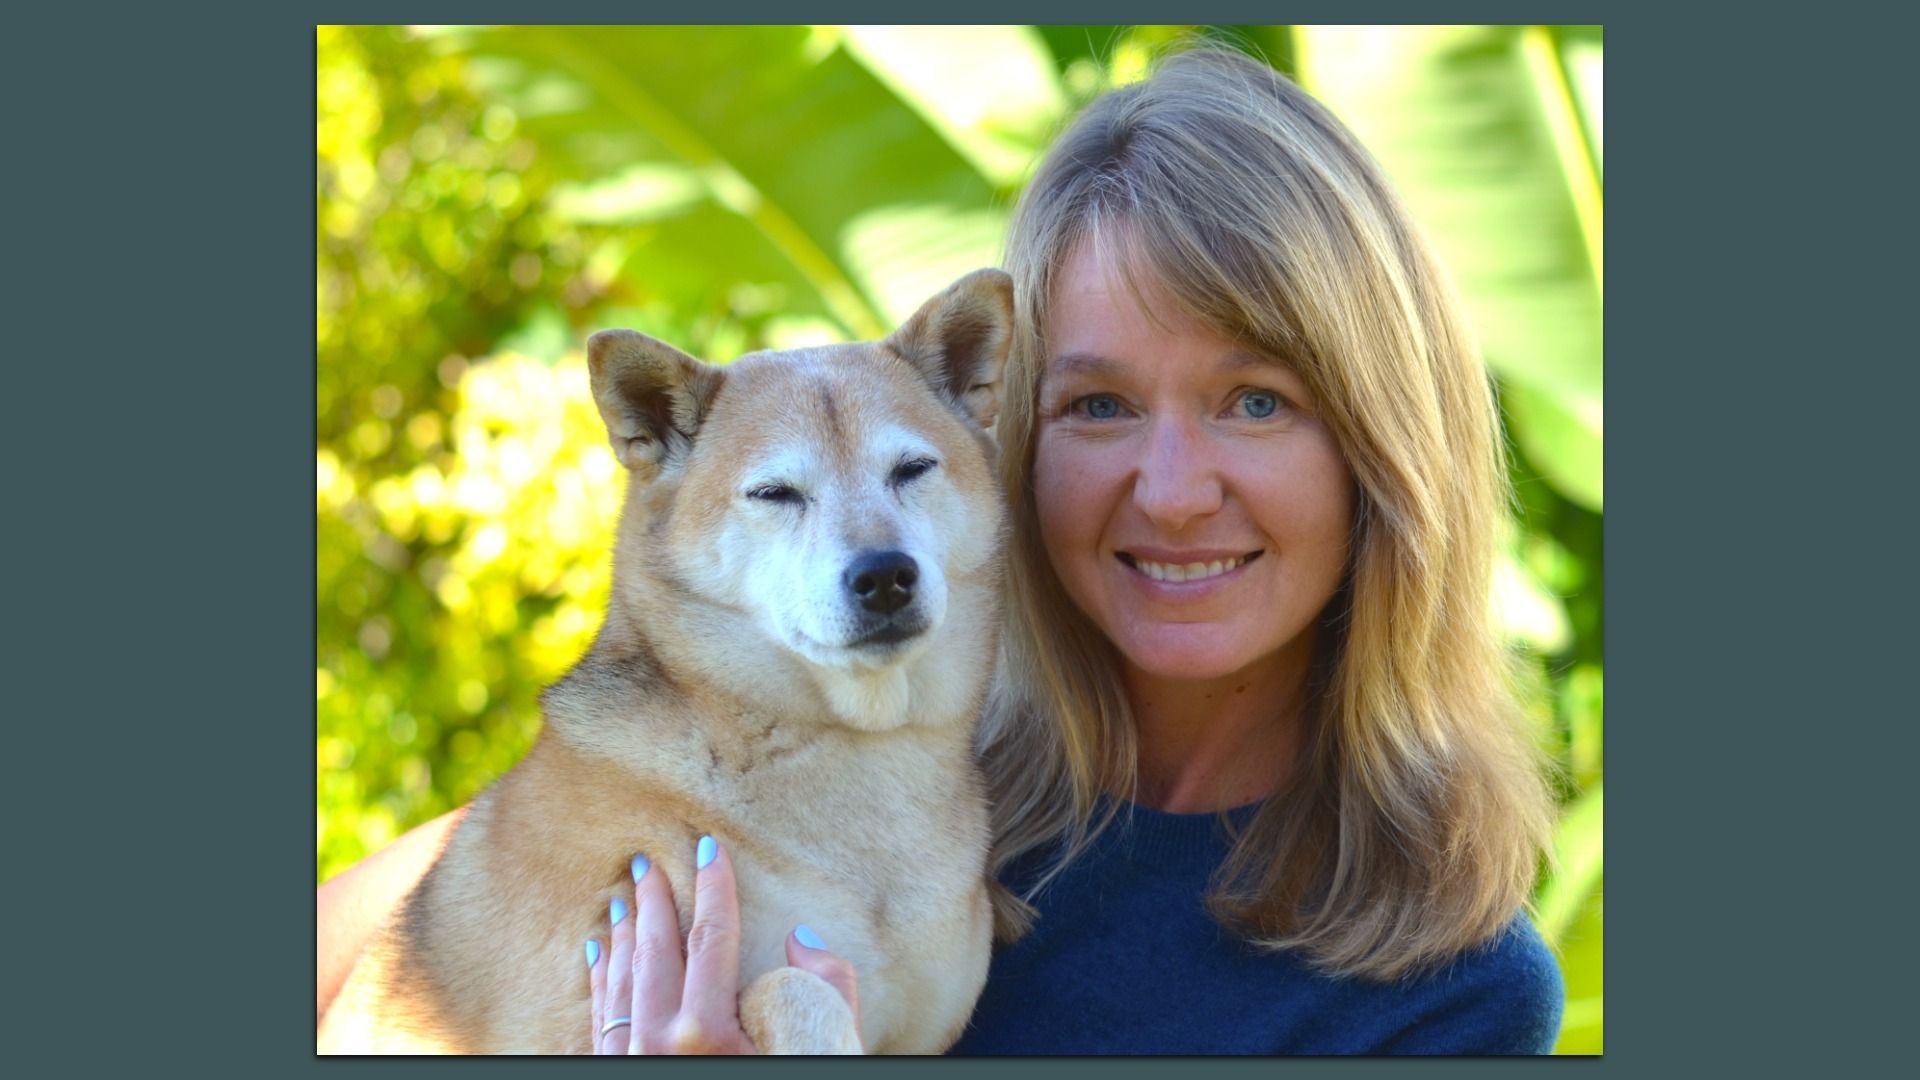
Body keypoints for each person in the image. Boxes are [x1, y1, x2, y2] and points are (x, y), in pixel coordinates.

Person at [317, 46, 1565, 1055]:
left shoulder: (1452, 997)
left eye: (1256, 402)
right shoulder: (781, 753)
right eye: (1098, 405)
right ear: (1013, 435)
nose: (1176, 493)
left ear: (1382, 446)